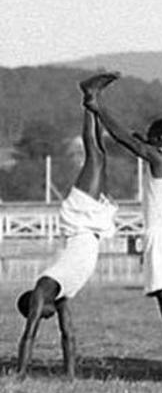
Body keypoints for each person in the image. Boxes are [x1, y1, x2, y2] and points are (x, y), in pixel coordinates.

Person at [82, 72, 162, 383]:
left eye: (152, 138)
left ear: (160, 141)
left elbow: (123, 138)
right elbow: (136, 139)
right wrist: (140, 137)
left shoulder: (158, 159)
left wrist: (98, 108)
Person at [16, 102, 118, 378]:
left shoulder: (43, 289)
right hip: (90, 225)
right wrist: (70, 376)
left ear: (33, 305)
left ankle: (89, 99)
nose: (46, 317)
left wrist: (21, 373)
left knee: (94, 158)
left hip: (79, 220)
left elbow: (29, 337)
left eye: (40, 314)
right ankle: (95, 105)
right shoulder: (62, 294)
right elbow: (68, 336)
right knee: (101, 156)